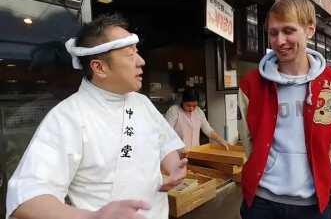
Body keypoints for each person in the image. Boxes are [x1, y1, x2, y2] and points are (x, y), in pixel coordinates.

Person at [6, 14, 186, 219]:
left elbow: (165, 144)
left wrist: (173, 169)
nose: (141, 61)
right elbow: (27, 199)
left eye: (137, 52)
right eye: (130, 54)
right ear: (99, 67)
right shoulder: (67, 117)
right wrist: (94, 217)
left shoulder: (142, 103)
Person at [238, 0, 331, 219]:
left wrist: (319, 173)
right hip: (262, 201)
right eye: (273, 32)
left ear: (310, 30)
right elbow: (248, 140)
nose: (279, 41)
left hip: (312, 203)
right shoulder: (250, 85)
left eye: (288, 30)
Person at [165, 87, 230, 150]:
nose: (191, 108)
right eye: (188, 105)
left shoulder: (199, 112)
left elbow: (208, 129)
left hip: (195, 151)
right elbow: (166, 132)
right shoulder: (174, 111)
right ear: (183, 101)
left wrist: (220, 140)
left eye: (194, 106)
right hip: (177, 152)